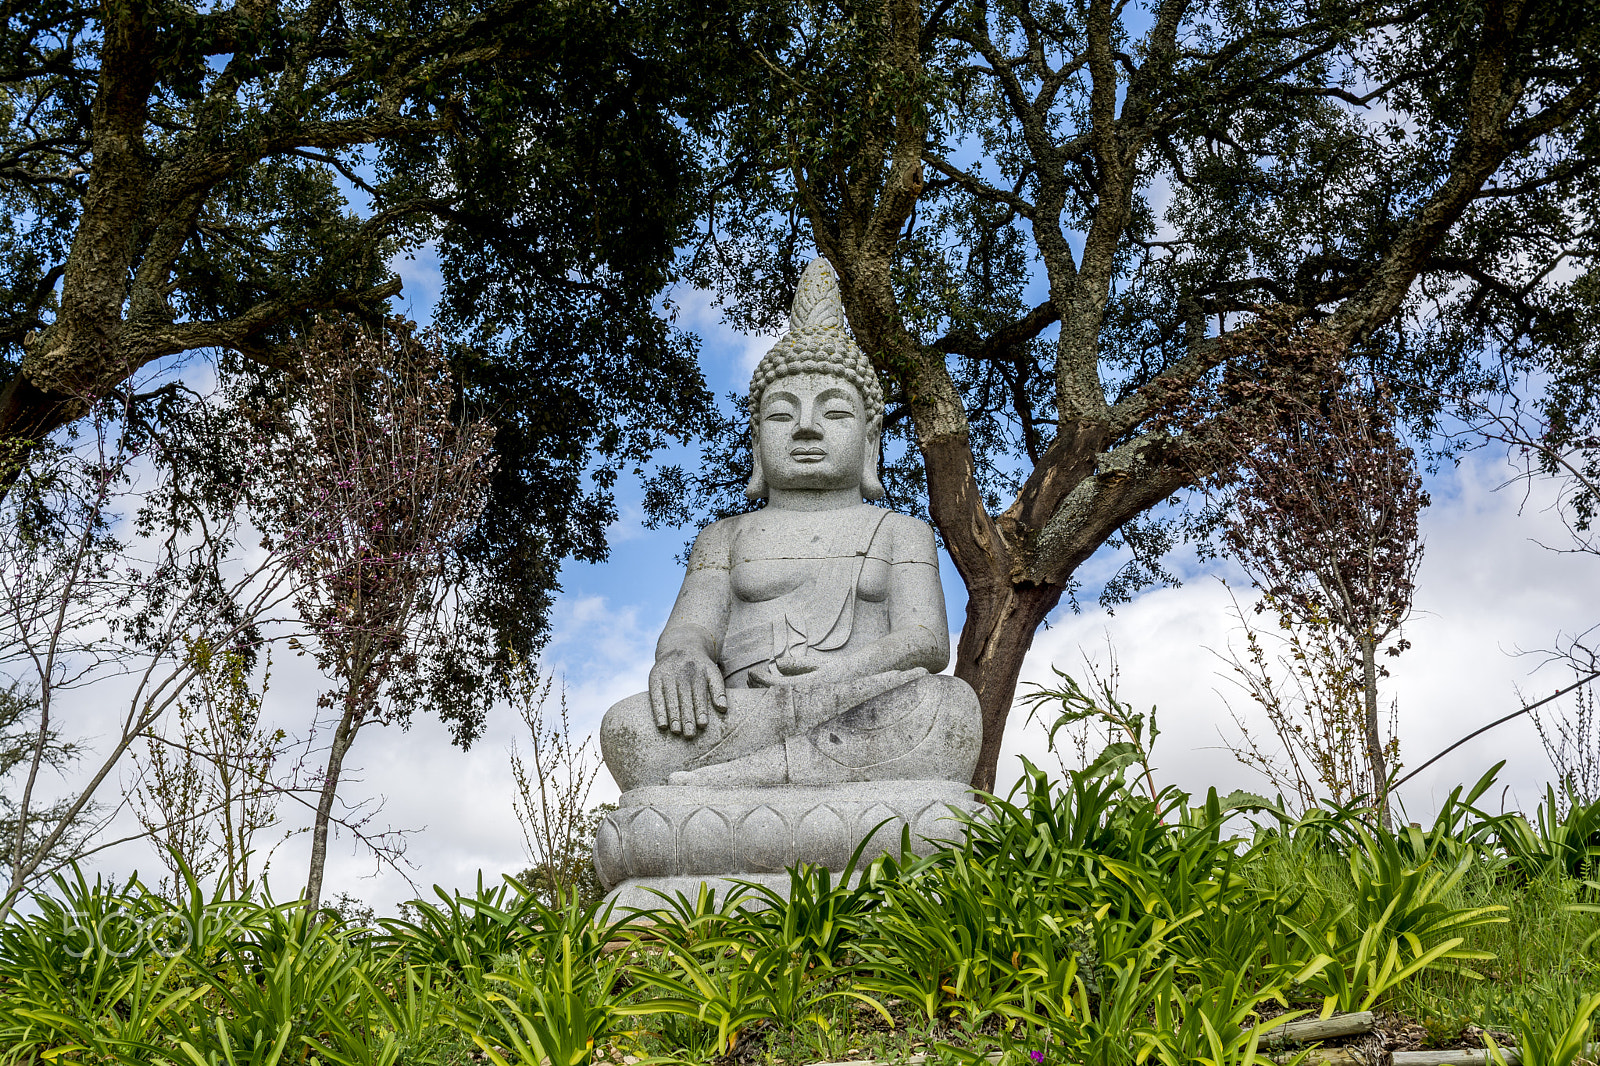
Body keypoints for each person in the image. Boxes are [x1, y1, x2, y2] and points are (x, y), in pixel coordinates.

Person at [599, 259, 980, 792]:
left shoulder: (900, 531)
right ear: (756, 443)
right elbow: (691, 628)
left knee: (949, 710)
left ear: (871, 443)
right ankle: (754, 782)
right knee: (629, 729)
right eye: (782, 415)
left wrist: (835, 678)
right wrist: (682, 658)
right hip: (746, 711)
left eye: (835, 414)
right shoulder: (724, 537)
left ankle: (724, 789)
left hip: (854, 702)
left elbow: (925, 642)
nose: (805, 428)